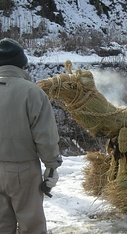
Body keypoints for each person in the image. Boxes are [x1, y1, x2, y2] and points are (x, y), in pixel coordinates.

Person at [0, 38, 62, 234]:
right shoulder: (32, 92)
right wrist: (52, 166)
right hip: (23, 170)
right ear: (22, 64)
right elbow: (45, 136)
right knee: (31, 225)